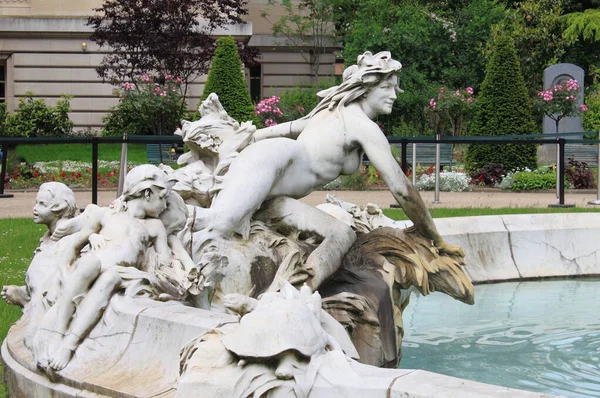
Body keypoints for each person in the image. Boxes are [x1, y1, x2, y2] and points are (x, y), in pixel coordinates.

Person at [193, 51, 464, 291]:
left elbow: (290, 126)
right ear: (367, 88)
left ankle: (298, 293)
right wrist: (436, 238)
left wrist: (250, 137)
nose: (394, 95)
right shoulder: (361, 125)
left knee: (343, 234)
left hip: (276, 198)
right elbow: (402, 190)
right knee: (218, 224)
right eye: (388, 87)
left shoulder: (333, 112)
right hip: (274, 158)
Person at [39, 165, 173, 372]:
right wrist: (88, 240)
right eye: (164, 198)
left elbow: (164, 260)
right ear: (148, 193)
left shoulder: (154, 226)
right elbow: (73, 246)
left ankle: (68, 345)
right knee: (89, 265)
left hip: (124, 273)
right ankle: (57, 334)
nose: (166, 205)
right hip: (96, 262)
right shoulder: (106, 215)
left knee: (109, 277)